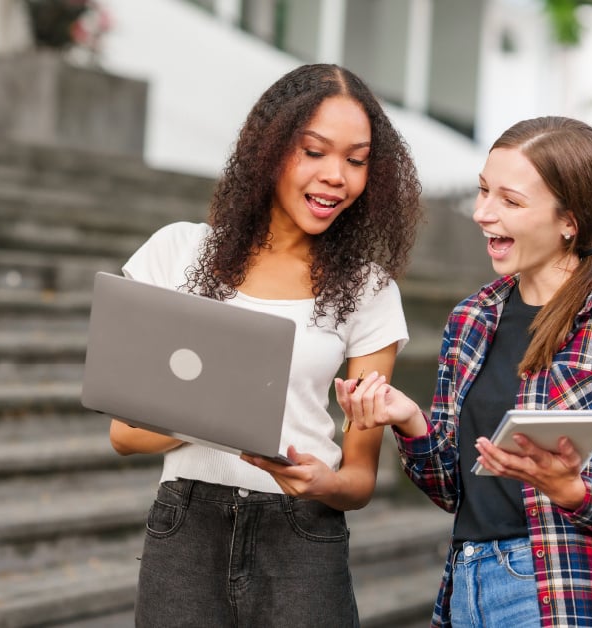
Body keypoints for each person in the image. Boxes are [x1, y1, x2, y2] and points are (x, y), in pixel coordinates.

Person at [108, 63, 423, 627]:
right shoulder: (177, 252)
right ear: (269, 149)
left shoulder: (372, 290)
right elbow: (125, 433)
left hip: (302, 535)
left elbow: (358, 479)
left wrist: (324, 483)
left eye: (356, 160)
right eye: (315, 152)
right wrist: (231, 408)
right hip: (186, 529)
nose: (337, 176)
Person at [337, 116, 592, 627]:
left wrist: (574, 492)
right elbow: (453, 490)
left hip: (563, 594)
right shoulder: (471, 319)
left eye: (510, 201)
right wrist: (408, 421)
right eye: (482, 191)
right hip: (466, 587)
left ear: (571, 221)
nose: (481, 213)